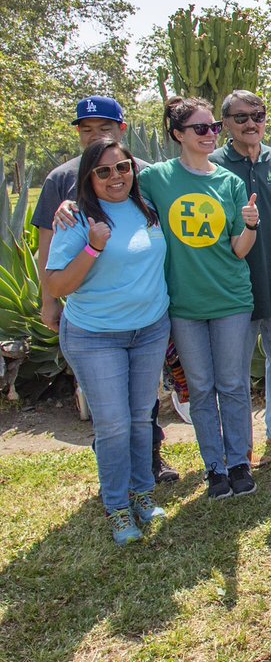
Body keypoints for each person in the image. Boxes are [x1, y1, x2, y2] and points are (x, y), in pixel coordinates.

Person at [34, 96, 178, 483]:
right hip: (95, 323)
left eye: (105, 128)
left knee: (142, 402)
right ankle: (116, 478)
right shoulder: (61, 178)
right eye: (87, 129)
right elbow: (47, 246)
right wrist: (48, 302)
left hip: (147, 318)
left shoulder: (145, 175)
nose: (95, 135)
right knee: (110, 409)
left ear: (122, 131)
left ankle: (150, 460)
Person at [45, 140, 171, 545]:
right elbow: (57, 283)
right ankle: (117, 507)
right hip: (96, 336)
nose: (116, 177)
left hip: (149, 329)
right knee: (113, 425)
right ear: (88, 177)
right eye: (104, 171)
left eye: (123, 167)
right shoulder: (77, 218)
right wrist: (93, 247)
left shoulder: (146, 208)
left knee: (140, 418)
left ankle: (142, 495)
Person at [211, 90, 271, 455]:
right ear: (226, 125)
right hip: (233, 285)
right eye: (241, 117)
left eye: (258, 115)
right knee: (233, 372)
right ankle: (237, 443)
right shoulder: (213, 165)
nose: (251, 123)